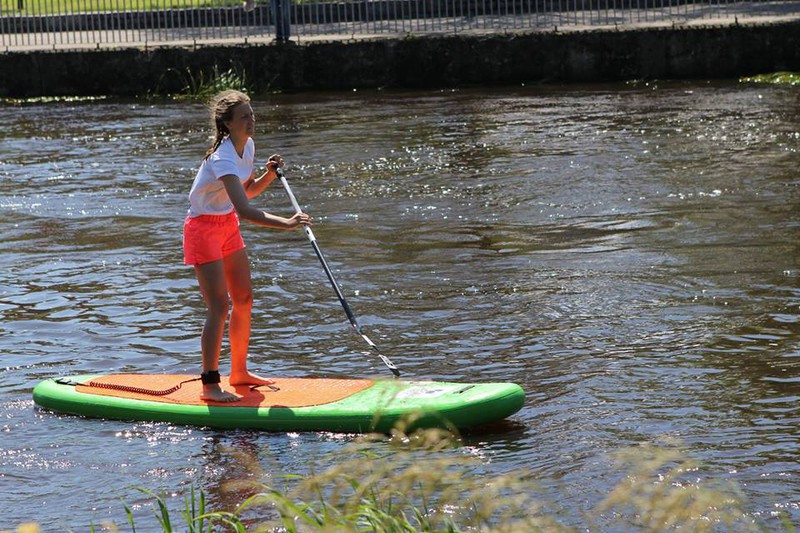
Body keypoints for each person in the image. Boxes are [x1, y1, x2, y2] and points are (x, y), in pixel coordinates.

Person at [183, 89, 311, 402]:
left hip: (227, 225)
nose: (252, 120)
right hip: (202, 229)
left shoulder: (248, 145)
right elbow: (246, 211)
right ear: (228, 124)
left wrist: (268, 175)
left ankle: (239, 372)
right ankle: (210, 385)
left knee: (244, 299)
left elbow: (248, 192)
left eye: (252, 114)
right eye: (244, 116)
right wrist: (288, 223)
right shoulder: (222, 157)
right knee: (219, 306)